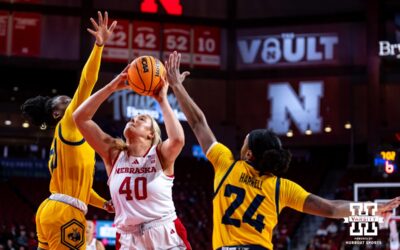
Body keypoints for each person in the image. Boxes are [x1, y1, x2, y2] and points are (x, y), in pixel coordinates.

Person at [165, 51, 400, 250]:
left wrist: (176, 86)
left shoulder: (226, 165)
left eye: (245, 141)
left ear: (249, 155)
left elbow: (198, 122)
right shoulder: (280, 187)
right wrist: (374, 207)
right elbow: (331, 207)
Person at [21, 11, 116, 250]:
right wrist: (99, 46)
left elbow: (81, 189)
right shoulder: (69, 123)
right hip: (65, 212)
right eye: (65, 100)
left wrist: (103, 203)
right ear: (56, 114)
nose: (71, 100)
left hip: (52, 209)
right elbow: (87, 82)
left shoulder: (73, 137)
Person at [72, 68, 191, 249]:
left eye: (142, 118)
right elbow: (79, 118)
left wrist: (162, 100)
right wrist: (110, 88)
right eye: (134, 117)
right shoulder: (113, 154)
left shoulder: (160, 154)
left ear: (151, 134)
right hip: (128, 238)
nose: (134, 118)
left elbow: (178, 139)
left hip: (164, 233)